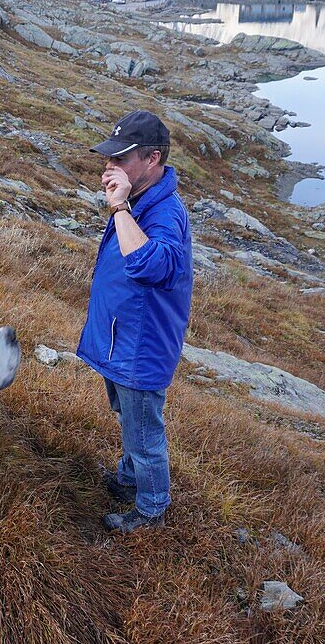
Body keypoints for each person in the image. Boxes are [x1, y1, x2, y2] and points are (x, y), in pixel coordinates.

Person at [76, 110, 193, 533]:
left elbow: (149, 266)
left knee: (144, 435)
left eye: (121, 158)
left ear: (152, 160)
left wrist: (120, 207)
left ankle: (150, 510)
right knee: (128, 418)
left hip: (139, 348)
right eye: (109, 156)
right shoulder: (144, 200)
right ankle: (129, 480)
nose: (110, 166)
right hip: (120, 340)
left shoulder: (163, 213)